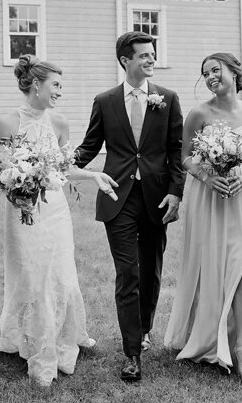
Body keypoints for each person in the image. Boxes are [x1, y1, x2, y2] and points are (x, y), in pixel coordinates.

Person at [0, 56, 114, 387]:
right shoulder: (7, 124)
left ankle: (65, 335)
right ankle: (37, 346)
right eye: (55, 85)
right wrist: (19, 180)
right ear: (36, 85)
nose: (60, 91)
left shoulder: (59, 123)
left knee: (62, 276)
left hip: (56, 210)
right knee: (31, 277)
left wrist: (93, 175)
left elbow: (62, 169)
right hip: (23, 212)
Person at [164, 53, 242, 382]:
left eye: (216, 70)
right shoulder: (199, 112)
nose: (210, 76)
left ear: (233, 71)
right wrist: (206, 177)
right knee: (211, 266)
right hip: (207, 197)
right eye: (205, 73)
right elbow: (185, 157)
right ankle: (207, 336)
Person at [75, 31, 185, 382]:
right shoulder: (105, 101)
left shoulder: (167, 98)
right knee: (128, 272)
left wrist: (176, 192)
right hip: (117, 196)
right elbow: (89, 146)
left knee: (151, 269)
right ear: (125, 60)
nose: (150, 60)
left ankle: (145, 327)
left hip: (156, 196)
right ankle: (132, 353)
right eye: (143, 56)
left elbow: (176, 150)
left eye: (152, 55)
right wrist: (53, 159)